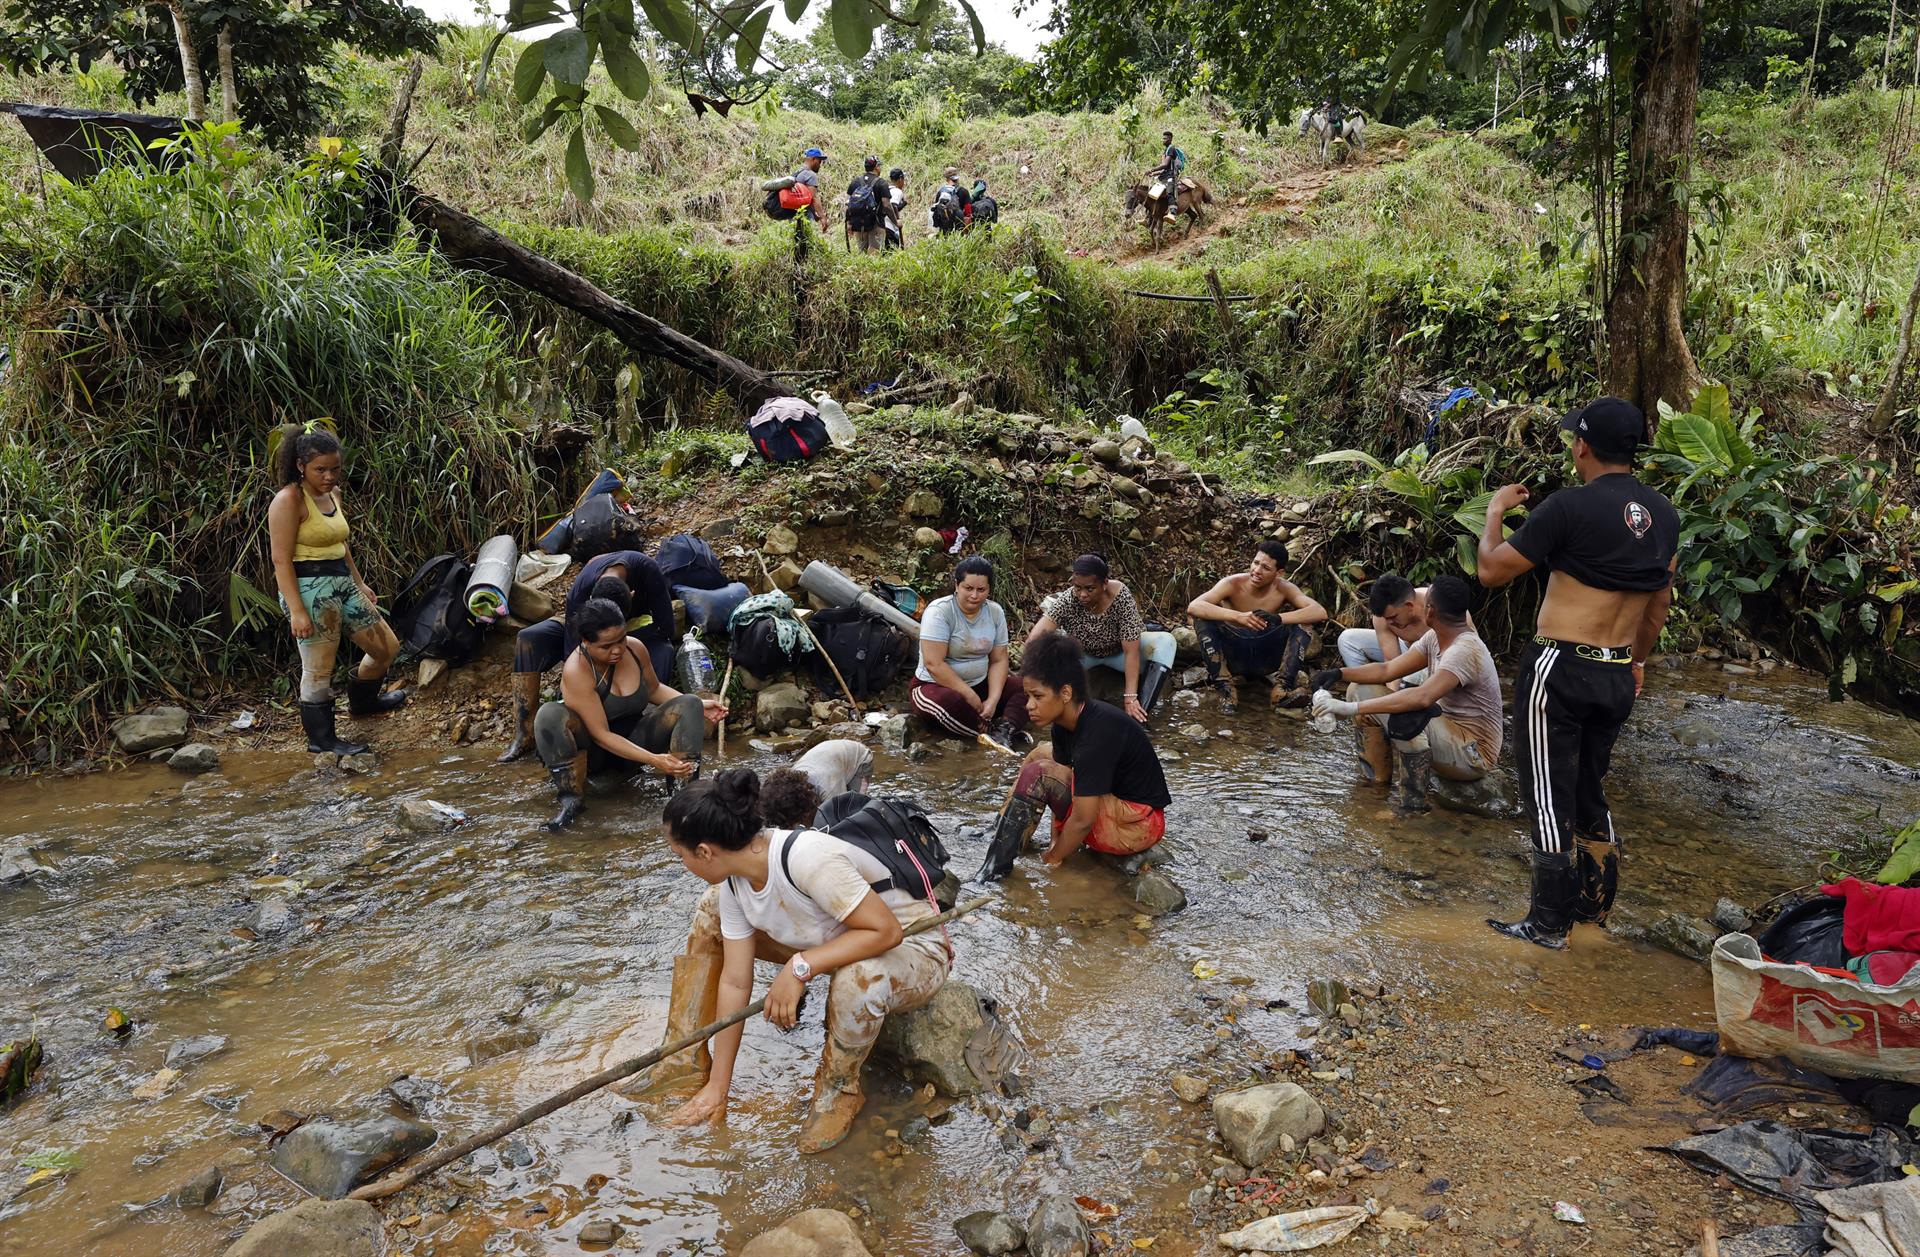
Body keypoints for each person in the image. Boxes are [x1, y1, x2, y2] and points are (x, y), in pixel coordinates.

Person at [636, 769, 948, 1153]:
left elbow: (886, 933)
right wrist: (720, 1088)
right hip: (838, 942)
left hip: (911, 950)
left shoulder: (807, 859)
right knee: (710, 910)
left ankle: (839, 1090)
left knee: (858, 978)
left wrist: (800, 967)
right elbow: (735, 983)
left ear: (704, 851)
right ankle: (684, 1055)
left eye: (680, 855)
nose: (681, 864)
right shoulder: (735, 882)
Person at [1475, 396, 1679, 948]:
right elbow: (1658, 604)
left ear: (1582, 446)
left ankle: (1547, 925)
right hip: (1616, 670)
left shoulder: (1568, 507)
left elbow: (1492, 571)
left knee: (1546, 792)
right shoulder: (1664, 515)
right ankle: (1593, 913)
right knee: (1590, 788)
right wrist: (1636, 663)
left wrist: (1494, 512)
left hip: (1559, 665)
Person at [977, 632, 1170, 881]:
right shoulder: (1064, 723)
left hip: (1137, 826)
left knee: (1040, 774)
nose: (1028, 706)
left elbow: (1082, 819)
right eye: (1028, 697)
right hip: (1113, 806)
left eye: (1038, 696)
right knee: (1040, 754)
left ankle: (994, 872)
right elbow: (1065, 782)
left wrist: (1053, 858)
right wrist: (1056, 838)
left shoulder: (1096, 735)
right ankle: (1005, 832)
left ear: (1066, 693)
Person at [266, 423, 408, 757]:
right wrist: (297, 610)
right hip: (309, 589)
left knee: (386, 647)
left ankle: (364, 703)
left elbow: (341, 544)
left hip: (342, 582)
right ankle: (322, 741)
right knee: (318, 669)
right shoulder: (288, 500)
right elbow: (280, 560)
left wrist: (358, 582)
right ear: (300, 465)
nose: (329, 476)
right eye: (320, 470)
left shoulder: (332, 494)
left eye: (334, 469)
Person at [1308, 575, 1502, 813]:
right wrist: (1339, 674)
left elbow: (1422, 697)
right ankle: (1375, 784)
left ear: (1431, 612)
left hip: (1473, 755)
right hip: (1448, 734)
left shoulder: (1464, 650)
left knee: (1408, 717)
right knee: (1358, 690)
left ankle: (1412, 807)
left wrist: (1350, 709)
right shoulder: (1435, 637)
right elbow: (1388, 669)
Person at [533, 598, 723, 830]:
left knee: (690, 703)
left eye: (621, 640)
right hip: (597, 754)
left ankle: (684, 799)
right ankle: (572, 800)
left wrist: (700, 705)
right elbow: (601, 735)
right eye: (606, 646)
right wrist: (654, 760)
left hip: (634, 739)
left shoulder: (635, 649)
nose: (617, 650)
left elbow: (654, 689)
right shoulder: (577, 670)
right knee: (549, 714)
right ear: (585, 642)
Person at [499, 549, 675, 762]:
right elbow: (573, 650)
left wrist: (621, 643)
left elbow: (666, 628)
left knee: (664, 650)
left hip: (632, 634)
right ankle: (524, 733)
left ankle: (641, 718)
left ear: (631, 594)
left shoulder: (647, 570)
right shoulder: (581, 590)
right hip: (591, 639)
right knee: (529, 638)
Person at [1027, 554, 1177, 723]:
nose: (1082, 594)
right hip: (1083, 656)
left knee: (1166, 642)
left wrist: (1130, 698)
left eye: (1090, 589)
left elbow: (1131, 651)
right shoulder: (1068, 599)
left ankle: (1140, 715)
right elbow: (1035, 639)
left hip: (1119, 654)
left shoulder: (1121, 596)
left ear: (1104, 583)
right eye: (1078, 588)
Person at [1186, 540, 1327, 712]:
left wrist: (1278, 618)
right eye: (1256, 563)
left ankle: (1282, 689)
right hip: (1233, 654)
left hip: (1266, 656)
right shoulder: (1232, 583)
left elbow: (1319, 612)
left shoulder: (1285, 588)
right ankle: (1226, 689)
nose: (1257, 571)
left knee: (1303, 621)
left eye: (1266, 568)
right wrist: (1238, 616)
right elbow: (1194, 607)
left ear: (1279, 573)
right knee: (1202, 618)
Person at [910, 556, 1026, 745]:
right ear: (957, 585)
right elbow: (934, 664)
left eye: (981, 590)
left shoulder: (995, 612)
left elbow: (999, 660)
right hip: (934, 686)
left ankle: (1007, 728)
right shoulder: (939, 611)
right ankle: (989, 732)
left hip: (980, 684)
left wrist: (993, 699)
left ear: (989, 589)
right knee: (951, 703)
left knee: (1029, 687)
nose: (974, 595)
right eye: (968, 588)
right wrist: (968, 695)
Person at [1335, 574, 1475, 688]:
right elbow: (1391, 662)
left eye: (1393, 617)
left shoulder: (1441, 606)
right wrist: (1390, 698)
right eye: (1386, 618)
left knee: (1413, 671)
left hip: (1443, 660)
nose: (1390, 622)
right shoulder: (1384, 618)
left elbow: (1471, 651)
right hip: (1407, 654)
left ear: (1409, 605)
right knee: (1347, 639)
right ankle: (1371, 689)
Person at [790, 738, 874, 800]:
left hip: (861, 758)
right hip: (832, 758)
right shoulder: (791, 778)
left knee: (855, 804)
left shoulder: (828, 787)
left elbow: (840, 809)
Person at [846, 156, 888, 253]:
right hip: (876, 223)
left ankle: (861, 268)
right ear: (876, 167)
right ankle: (872, 268)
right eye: (880, 166)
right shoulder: (881, 183)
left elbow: (848, 204)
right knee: (875, 252)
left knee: (862, 253)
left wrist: (849, 223)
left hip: (858, 223)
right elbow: (886, 205)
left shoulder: (855, 182)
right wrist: (895, 221)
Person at [793, 146, 828, 230]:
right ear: (813, 159)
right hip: (804, 216)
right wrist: (822, 217)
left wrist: (815, 214)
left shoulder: (798, 172)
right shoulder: (810, 175)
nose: (820, 165)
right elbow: (814, 198)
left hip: (793, 214)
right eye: (819, 161)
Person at [932, 166, 971, 235]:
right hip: (959, 226)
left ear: (946, 179)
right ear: (957, 178)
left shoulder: (941, 192)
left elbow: (937, 209)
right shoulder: (964, 191)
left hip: (944, 227)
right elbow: (968, 213)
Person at [885, 167, 908, 249]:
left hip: (880, 226)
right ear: (900, 179)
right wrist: (897, 221)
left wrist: (904, 204)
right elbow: (893, 205)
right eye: (904, 179)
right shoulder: (897, 191)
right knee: (890, 252)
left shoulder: (887, 190)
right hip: (889, 227)